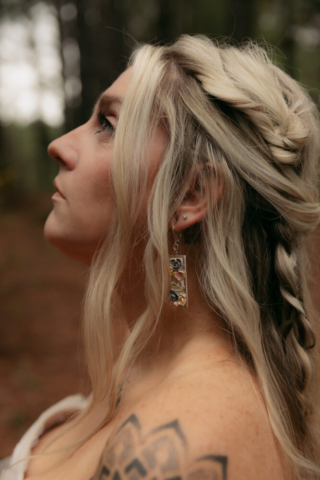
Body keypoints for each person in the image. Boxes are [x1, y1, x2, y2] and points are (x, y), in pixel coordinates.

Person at [1, 34, 320, 480]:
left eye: (108, 125)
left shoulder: (176, 448)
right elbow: (178, 285)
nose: (60, 146)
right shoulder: (144, 363)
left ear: (190, 195)